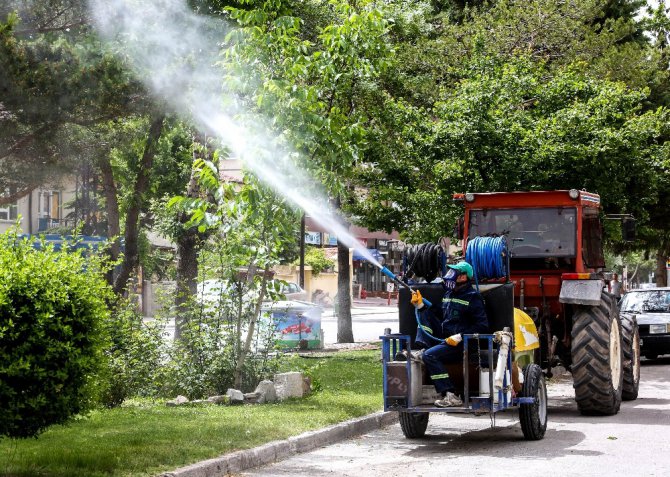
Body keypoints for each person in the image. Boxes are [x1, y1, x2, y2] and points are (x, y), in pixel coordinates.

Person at [411, 261, 489, 407]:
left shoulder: (473, 297)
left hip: (462, 344)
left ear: (464, 277)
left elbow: (482, 326)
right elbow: (440, 316)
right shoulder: (448, 294)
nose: (450, 276)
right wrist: (420, 305)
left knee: (430, 355)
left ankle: (450, 394)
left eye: (454, 273)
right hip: (446, 338)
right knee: (424, 312)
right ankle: (421, 347)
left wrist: (460, 336)